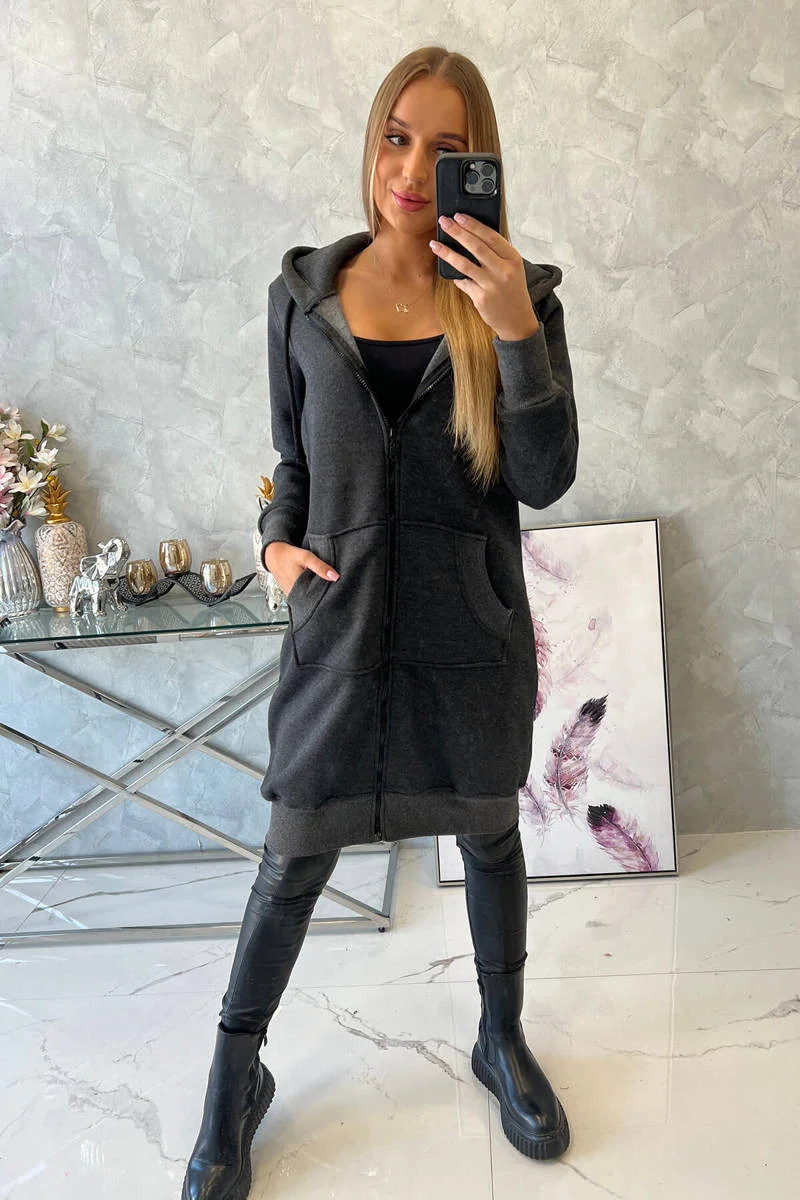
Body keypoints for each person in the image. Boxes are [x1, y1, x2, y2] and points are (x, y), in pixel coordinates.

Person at [181, 44, 578, 1199]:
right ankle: (231, 1079)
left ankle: (498, 1038)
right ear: (370, 143)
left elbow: (544, 477)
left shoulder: (520, 298)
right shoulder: (302, 296)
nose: (411, 169)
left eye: (446, 150)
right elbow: (291, 462)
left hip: (468, 634)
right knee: (292, 854)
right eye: (396, 137)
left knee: (487, 837)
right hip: (339, 628)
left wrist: (512, 331)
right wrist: (274, 542)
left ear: (479, 166)